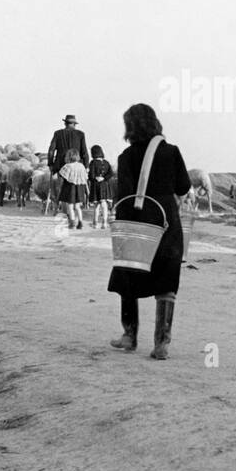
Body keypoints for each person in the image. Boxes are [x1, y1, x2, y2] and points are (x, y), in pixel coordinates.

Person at [106, 103, 190, 359]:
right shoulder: (171, 152)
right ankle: (161, 344)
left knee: (128, 275)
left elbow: (125, 195)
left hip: (137, 221)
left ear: (130, 127)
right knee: (166, 279)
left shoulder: (126, 156)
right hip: (167, 222)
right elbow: (184, 186)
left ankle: (129, 336)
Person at [58, 149, 89, 230]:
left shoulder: (67, 166)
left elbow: (62, 176)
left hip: (70, 188)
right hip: (80, 188)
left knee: (70, 207)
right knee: (78, 207)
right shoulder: (81, 166)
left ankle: (72, 224)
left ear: (68, 157)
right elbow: (85, 177)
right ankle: (80, 223)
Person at [88, 144, 115, 229]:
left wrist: (96, 178)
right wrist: (104, 178)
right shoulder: (106, 162)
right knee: (104, 205)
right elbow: (111, 173)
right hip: (105, 185)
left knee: (97, 206)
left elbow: (91, 176)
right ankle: (104, 223)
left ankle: (95, 223)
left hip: (96, 186)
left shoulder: (92, 163)